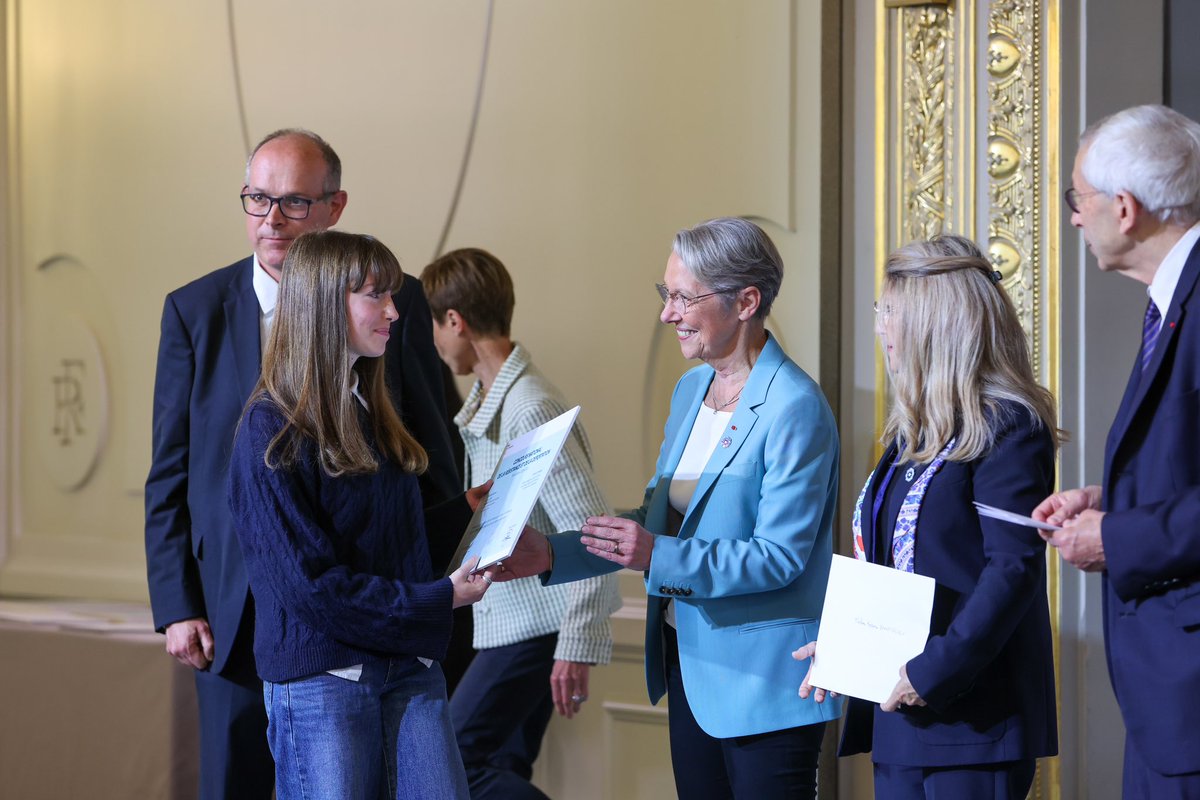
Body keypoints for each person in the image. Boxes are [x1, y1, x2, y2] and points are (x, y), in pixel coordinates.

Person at [143, 128, 460, 800]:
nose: (272, 220)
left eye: (292, 202)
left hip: (369, 612)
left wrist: (435, 584)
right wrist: (177, 604)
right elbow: (171, 472)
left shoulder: (386, 313)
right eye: (257, 200)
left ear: (334, 206)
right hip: (232, 613)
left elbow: (430, 457)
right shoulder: (195, 310)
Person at [498, 217, 841, 799]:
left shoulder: (794, 407)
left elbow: (778, 557)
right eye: (667, 295)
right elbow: (659, 521)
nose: (667, 314)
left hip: (766, 686)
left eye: (683, 297)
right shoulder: (691, 391)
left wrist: (658, 554)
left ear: (746, 302)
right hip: (692, 669)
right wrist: (552, 554)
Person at [227, 229, 494, 799]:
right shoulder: (269, 429)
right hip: (325, 680)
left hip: (405, 663)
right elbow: (311, 588)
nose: (394, 311)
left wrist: (467, 511)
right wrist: (439, 597)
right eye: (377, 295)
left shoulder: (370, 404)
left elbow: (385, 539)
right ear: (325, 305)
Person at [796, 235, 1060, 799]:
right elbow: (893, 566)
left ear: (934, 322)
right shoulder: (913, 433)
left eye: (889, 311)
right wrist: (849, 644)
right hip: (901, 713)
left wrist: (931, 671)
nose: (880, 327)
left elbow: (1012, 570)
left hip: (970, 719)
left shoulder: (1008, 426)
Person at [1032, 104, 1200, 798]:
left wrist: (1120, 536)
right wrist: (1109, 501)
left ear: (1124, 208)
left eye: (1078, 199)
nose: (1075, 218)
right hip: (1168, 695)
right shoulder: (1169, 299)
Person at [420, 248, 621, 800]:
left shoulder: (528, 406)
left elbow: (593, 530)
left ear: (455, 322)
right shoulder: (497, 404)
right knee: (501, 769)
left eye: (435, 327)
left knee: (455, 757)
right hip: (512, 626)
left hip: (536, 629)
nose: (435, 344)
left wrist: (576, 641)